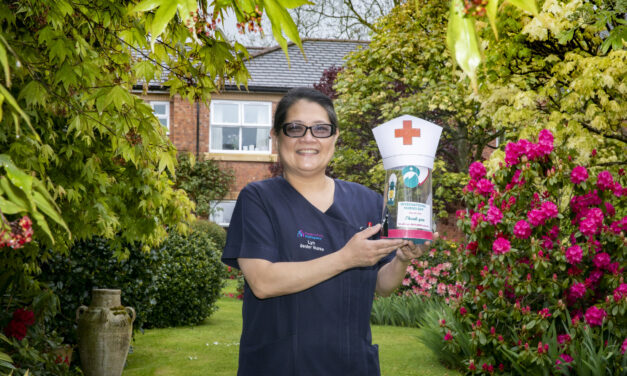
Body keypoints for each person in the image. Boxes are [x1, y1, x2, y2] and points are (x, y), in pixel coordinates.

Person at [222, 87, 434, 376]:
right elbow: (263, 282)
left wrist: (402, 259)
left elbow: (381, 285)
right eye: (295, 128)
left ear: (335, 137)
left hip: (353, 366)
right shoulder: (258, 199)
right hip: (280, 366)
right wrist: (346, 257)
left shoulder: (366, 201)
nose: (308, 138)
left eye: (321, 129)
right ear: (276, 137)